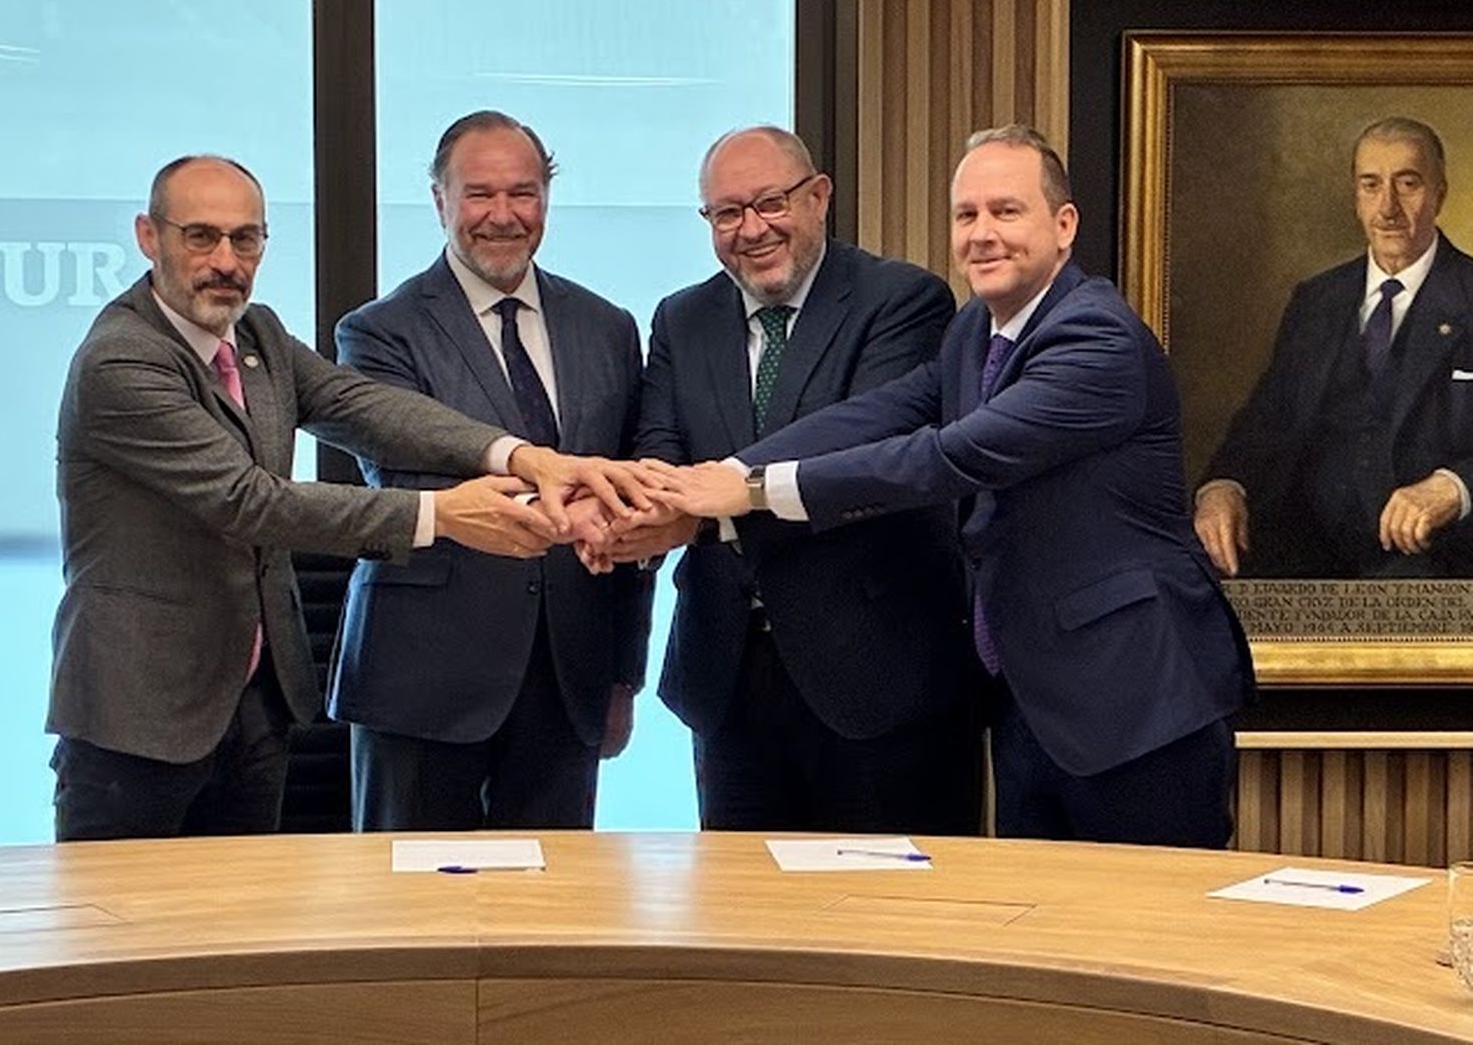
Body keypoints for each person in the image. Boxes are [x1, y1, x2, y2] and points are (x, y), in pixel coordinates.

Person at [645, 125, 1254, 847]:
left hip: (1138, 700)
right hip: (1033, 701)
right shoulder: (976, 330)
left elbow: (947, 458)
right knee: (1036, 937)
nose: (982, 235)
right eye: (967, 216)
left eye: (1006, 211)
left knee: (1150, 936)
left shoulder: (1097, 338)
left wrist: (751, 491)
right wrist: (723, 475)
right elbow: (880, 413)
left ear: (1063, 226)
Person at [48, 153, 641, 841]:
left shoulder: (257, 333)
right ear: (150, 237)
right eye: (201, 236)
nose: (226, 260)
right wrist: (440, 515)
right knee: (124, 933)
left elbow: (359, 404)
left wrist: (519, 455)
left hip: (253, 702)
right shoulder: (122, 359)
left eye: (247, 238)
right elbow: (252, 501)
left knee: (241, 928)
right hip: (136, 715)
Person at [584, 124, 981, 835]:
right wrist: (637, 519)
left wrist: (709, 512)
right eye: (727, 213)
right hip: (728, 681)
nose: (752, 229)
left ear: (819, 196)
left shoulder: (902, 301)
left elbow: (869, 458)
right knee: (748, 925)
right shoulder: (683, 317)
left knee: (886, 922)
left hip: (877, 677)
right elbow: (660, 452)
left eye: (771, 203)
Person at [327, 112, 651, 830]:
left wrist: (622, 672)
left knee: (550, 918)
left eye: (524, 194)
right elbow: (410, 477)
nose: (502, 216)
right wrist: (570, 508)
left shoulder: (608, 327)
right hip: (423, 681)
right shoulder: (380, 331)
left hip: (569, 678)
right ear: (440, 200)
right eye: (479, 195)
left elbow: (628, 506)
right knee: (410, 913)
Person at [1195, 116, 1473, 579]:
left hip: (1440, 563)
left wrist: (1458, 487)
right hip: (1307, 557)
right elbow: (1267, 420)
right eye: (1371, 185)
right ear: (1355, 198)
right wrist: (1224, 486)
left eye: (1407, 184)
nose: (1388, 208)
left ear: (1440, 194)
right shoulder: (1317, 300)